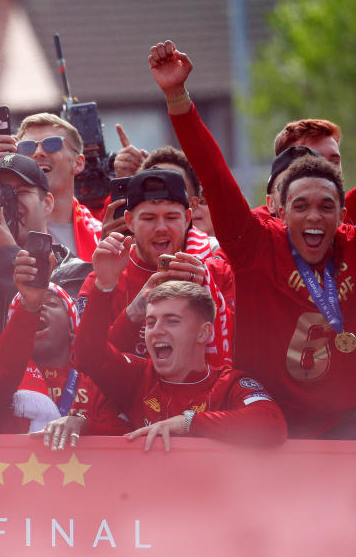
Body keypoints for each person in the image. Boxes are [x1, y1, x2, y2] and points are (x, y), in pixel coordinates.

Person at [149, 39, 356, 438]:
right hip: (266, 417)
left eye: (326, 207)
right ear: (280, 210)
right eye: (301, 206)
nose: (313, 216)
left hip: (344, 420)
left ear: (342, 213)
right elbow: (214, 174)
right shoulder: (255, 244)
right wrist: (177, 95)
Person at [76, 241, 286, 451]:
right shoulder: (136, 377)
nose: (156, 330)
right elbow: (89, 355)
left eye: (172, 321)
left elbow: (271, 422)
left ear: (203, 332)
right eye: (150, 322)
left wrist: (187, 422)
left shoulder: (228, 384)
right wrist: (104, 285)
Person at [0, 250, 127, 445]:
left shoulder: (96, 384)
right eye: (30, 309)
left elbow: (125, 435)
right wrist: (29, 306)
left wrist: (84, 425)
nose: (39, 308)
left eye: (49, 303)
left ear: (71, 327)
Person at [76, 169, 234, 366]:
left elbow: (241, 352)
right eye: (149, 219)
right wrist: (136, 308)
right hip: (129, 395)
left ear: (187, 219)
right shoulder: (106, 276)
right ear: (129, 221)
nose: (161, 228)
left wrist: (207, 297)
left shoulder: (216, 274)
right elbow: (87, 362)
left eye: (171, 217)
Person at [0, 151, 91, 360]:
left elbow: (57, 343)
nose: (8, 201)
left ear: (48, 203)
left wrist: (8, 256)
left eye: (20, 191)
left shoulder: (76, 272)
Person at [0, 112, 101, 261]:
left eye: (52, 144)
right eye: (27, 147)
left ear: (78, 163)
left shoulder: (102, 235)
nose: (39, 153)